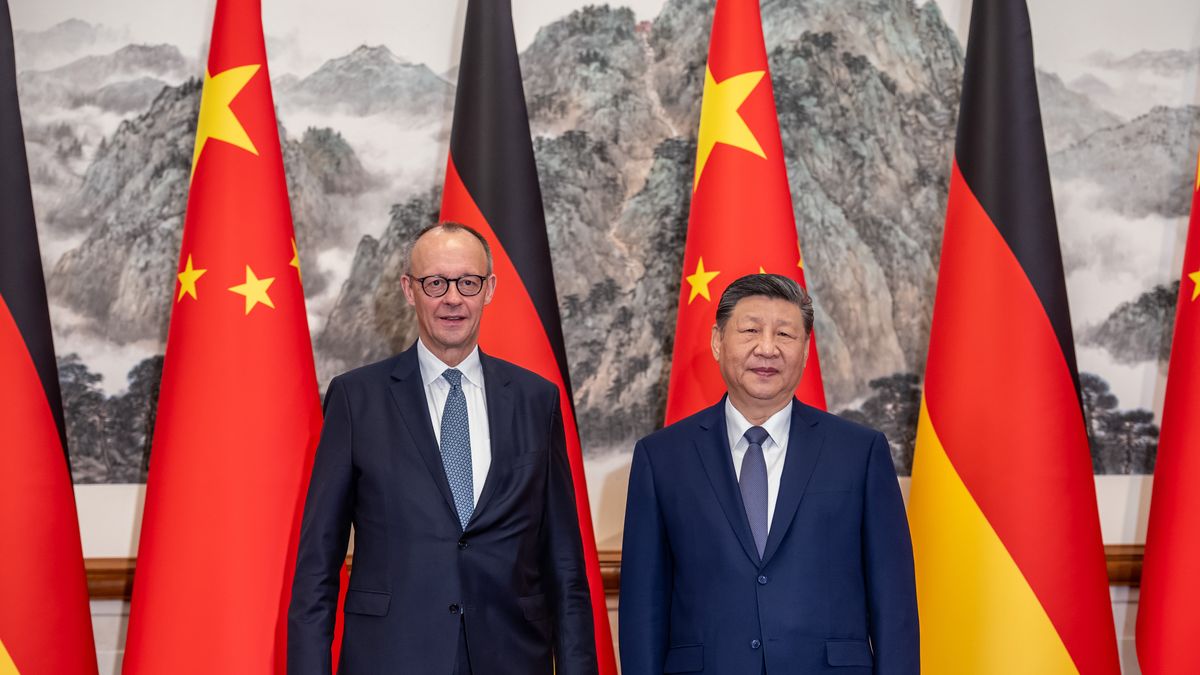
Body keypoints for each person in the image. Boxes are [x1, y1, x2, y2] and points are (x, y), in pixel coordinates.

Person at [288, 222, 598, 675]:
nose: (453, 298)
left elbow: (565, 567)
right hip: (391, 658)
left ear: (488, 289)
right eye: (435, 282)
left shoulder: (537, 399)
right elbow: (318, 564)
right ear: (409, 290)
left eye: (467, 282)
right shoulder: (357, 399)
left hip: (512, 657)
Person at [619, 273, 918, 674]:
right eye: (750, 330)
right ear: (716, 341)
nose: (767, 348)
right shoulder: (662, 458)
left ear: (806, 351)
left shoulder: (859, 453)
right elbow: (643, 608)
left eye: (785, 334)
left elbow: (893, 602)